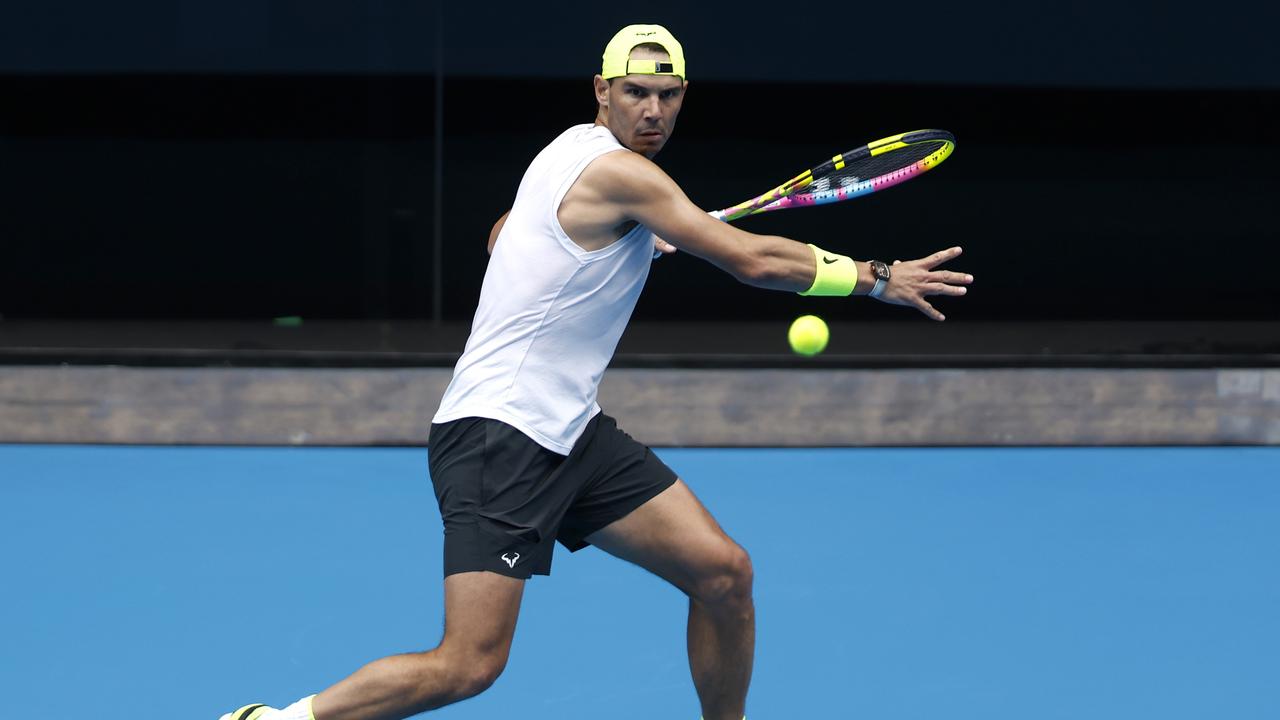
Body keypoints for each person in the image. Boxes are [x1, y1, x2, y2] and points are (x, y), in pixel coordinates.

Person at [221, 23, 971, 720]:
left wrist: (632, 234)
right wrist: (876, 277)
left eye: (668, 94)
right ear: (601, 90)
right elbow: (752, 258)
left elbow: (501, 235)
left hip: (571, 435)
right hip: (500, 438)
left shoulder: (568, 155)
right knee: (469, 665)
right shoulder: (623, 176)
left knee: (723, 574)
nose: (652, 109)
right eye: (635, 92)